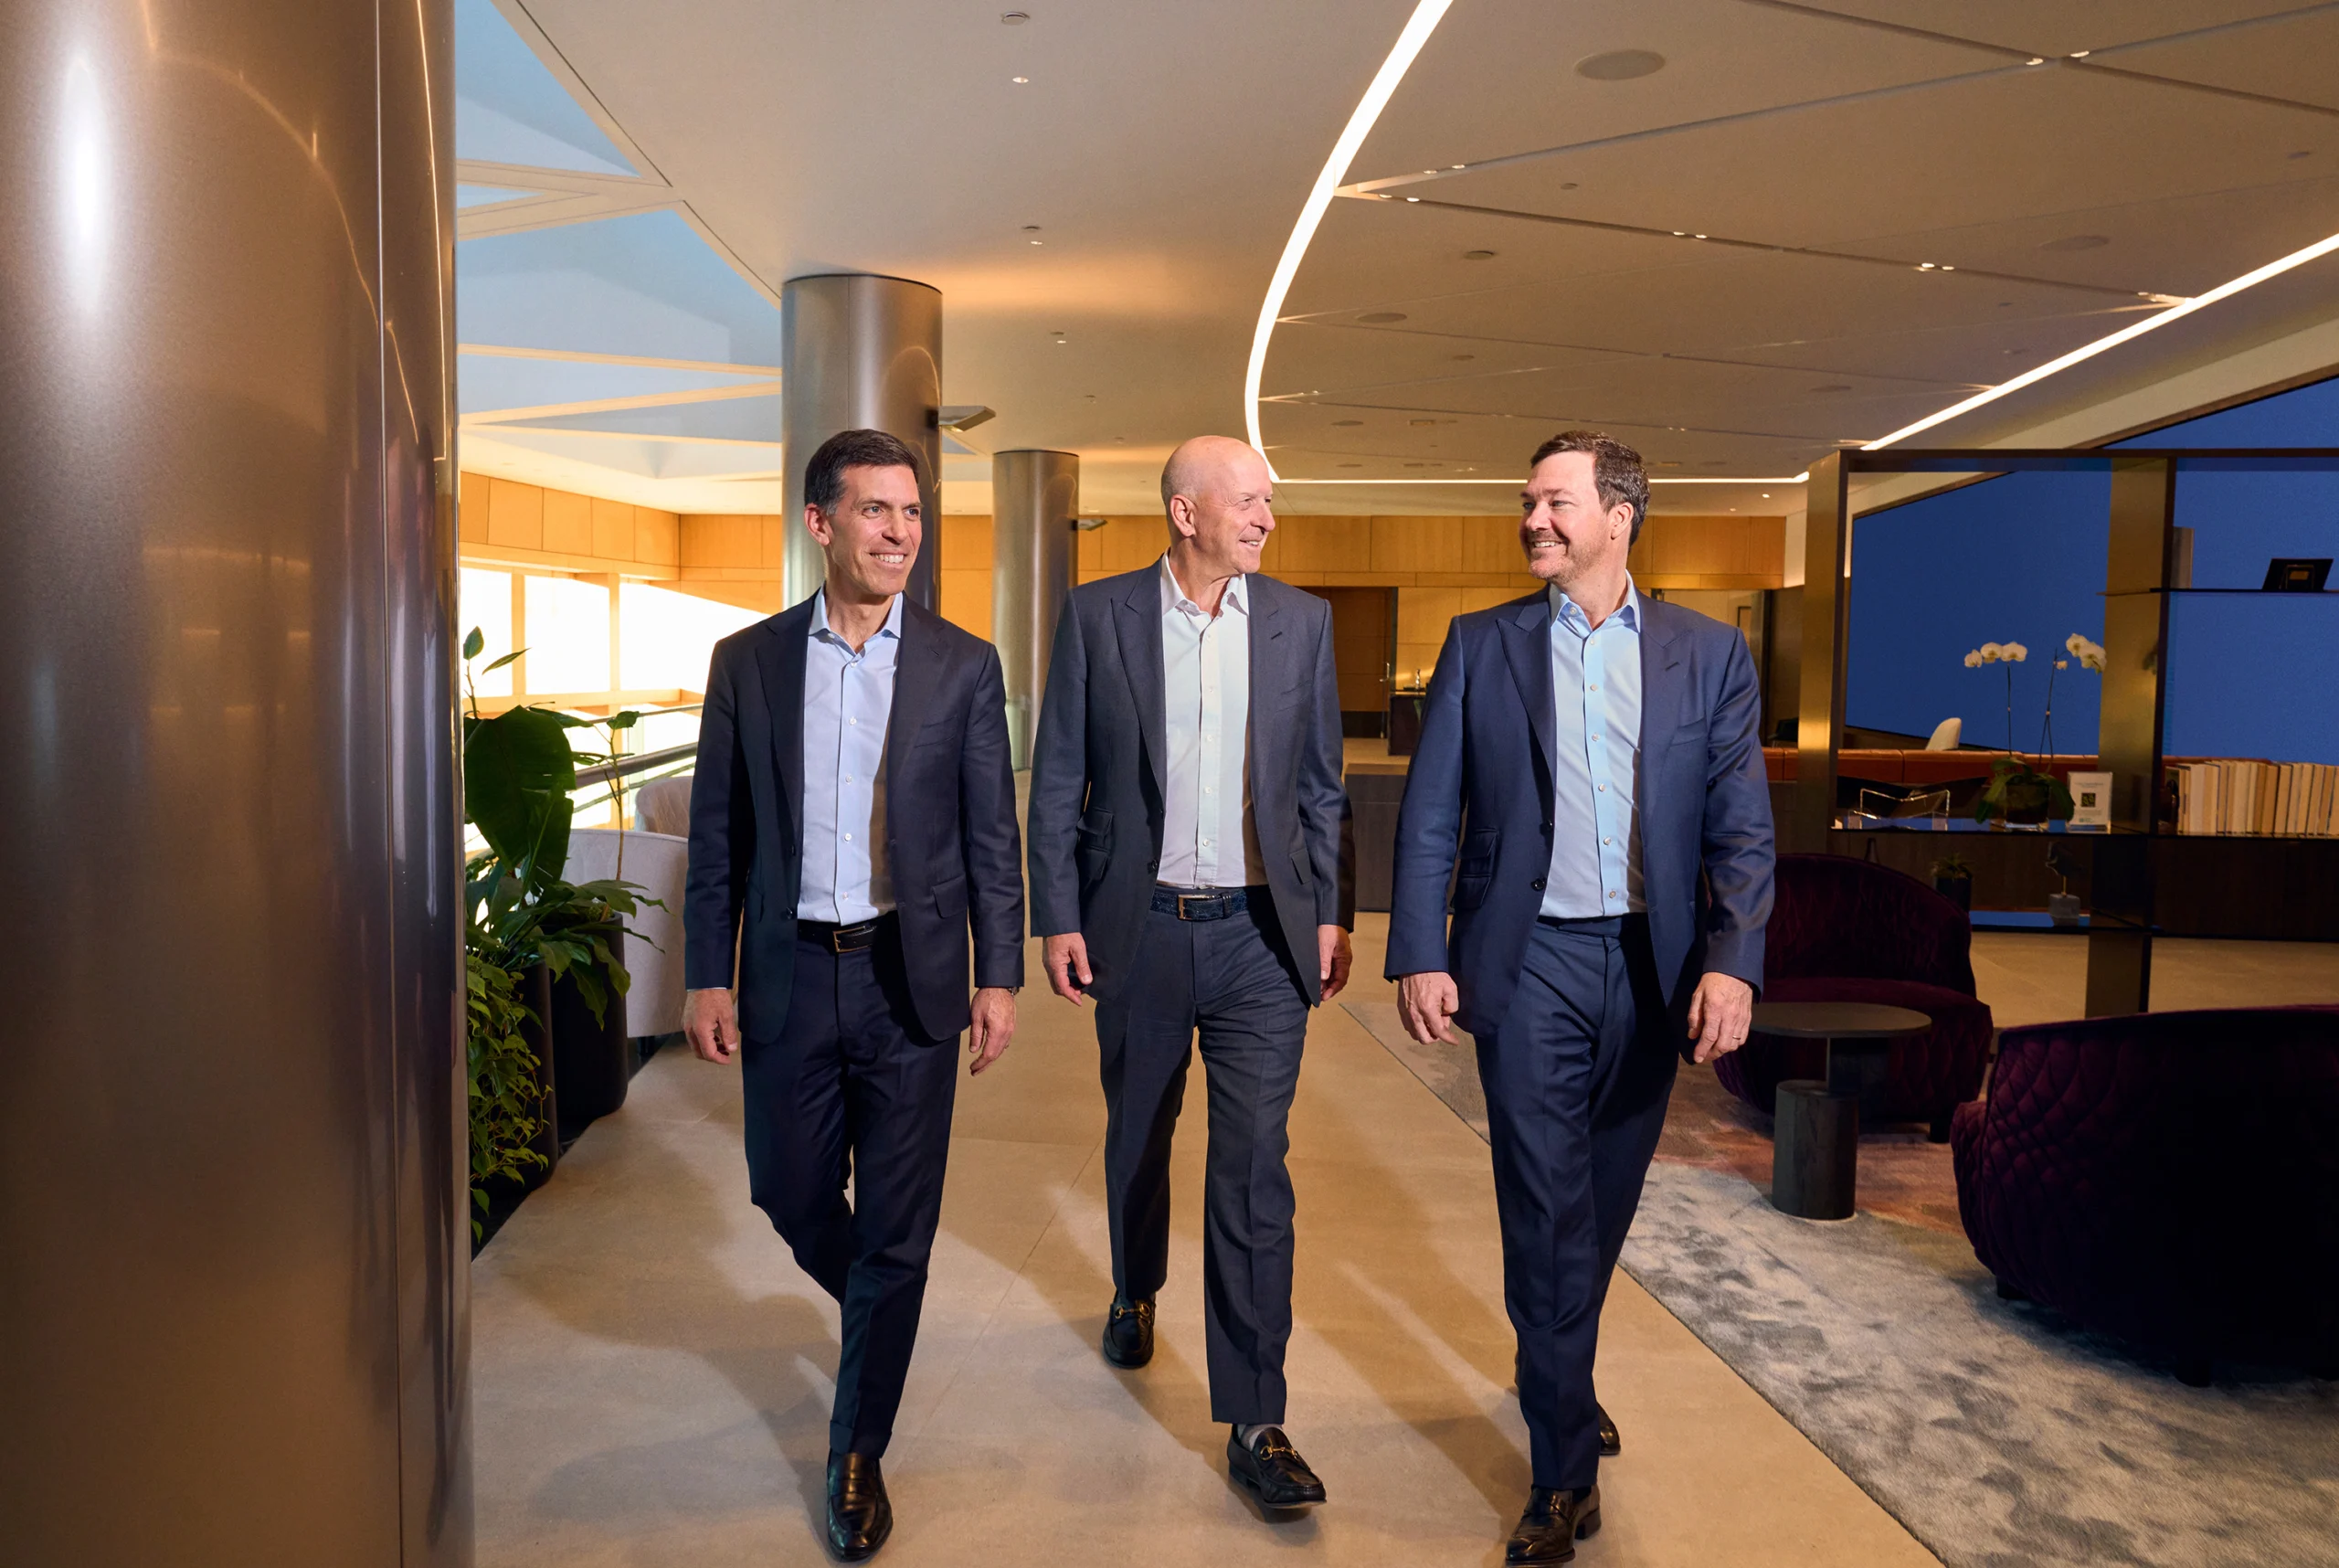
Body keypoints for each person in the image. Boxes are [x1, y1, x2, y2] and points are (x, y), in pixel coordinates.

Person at [1387, 430, 1773, 1564]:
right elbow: (1430, 815)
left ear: (1619, 517)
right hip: (1528, 962)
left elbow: (1742, 829)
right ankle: (1560, 1474)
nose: (1533, 520)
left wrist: (1733, 958)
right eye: (1526, 503)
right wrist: (1420, 947)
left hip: (1651, 970)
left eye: (1553, 502)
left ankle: (1554, 1368)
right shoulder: (1480, 645)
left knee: (1600, 1202)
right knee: (1544, 1206)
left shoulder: (1710, 655)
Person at [680, 429, 1023, 1563]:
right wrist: (705, 974)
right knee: (785, 1189)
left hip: (907, 979)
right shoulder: (751, 662)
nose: (899, 533)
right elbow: (720, 837)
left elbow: (990, 836)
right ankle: (881, 1308)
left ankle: (855, 1449)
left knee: (899, 1230)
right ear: (819, 524)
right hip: (787, 974)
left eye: (912, 513)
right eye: (874, 511)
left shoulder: (963, 665)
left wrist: (999, 976)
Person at [1026, 434, 1354, 1513]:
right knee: (1138, 1136)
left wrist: (1331, 914)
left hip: (1264, 941)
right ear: (1185, 511)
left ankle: (1256, 1418)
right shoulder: (1096, 616)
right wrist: (1058, 917)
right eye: (1250, 500)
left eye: (1270, 501)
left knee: (1254, 1166)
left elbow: (1318, 788)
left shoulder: (1301, 622)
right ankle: (1135, 1283)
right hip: (1142, 930)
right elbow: (1059, 779)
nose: (1266, 518)